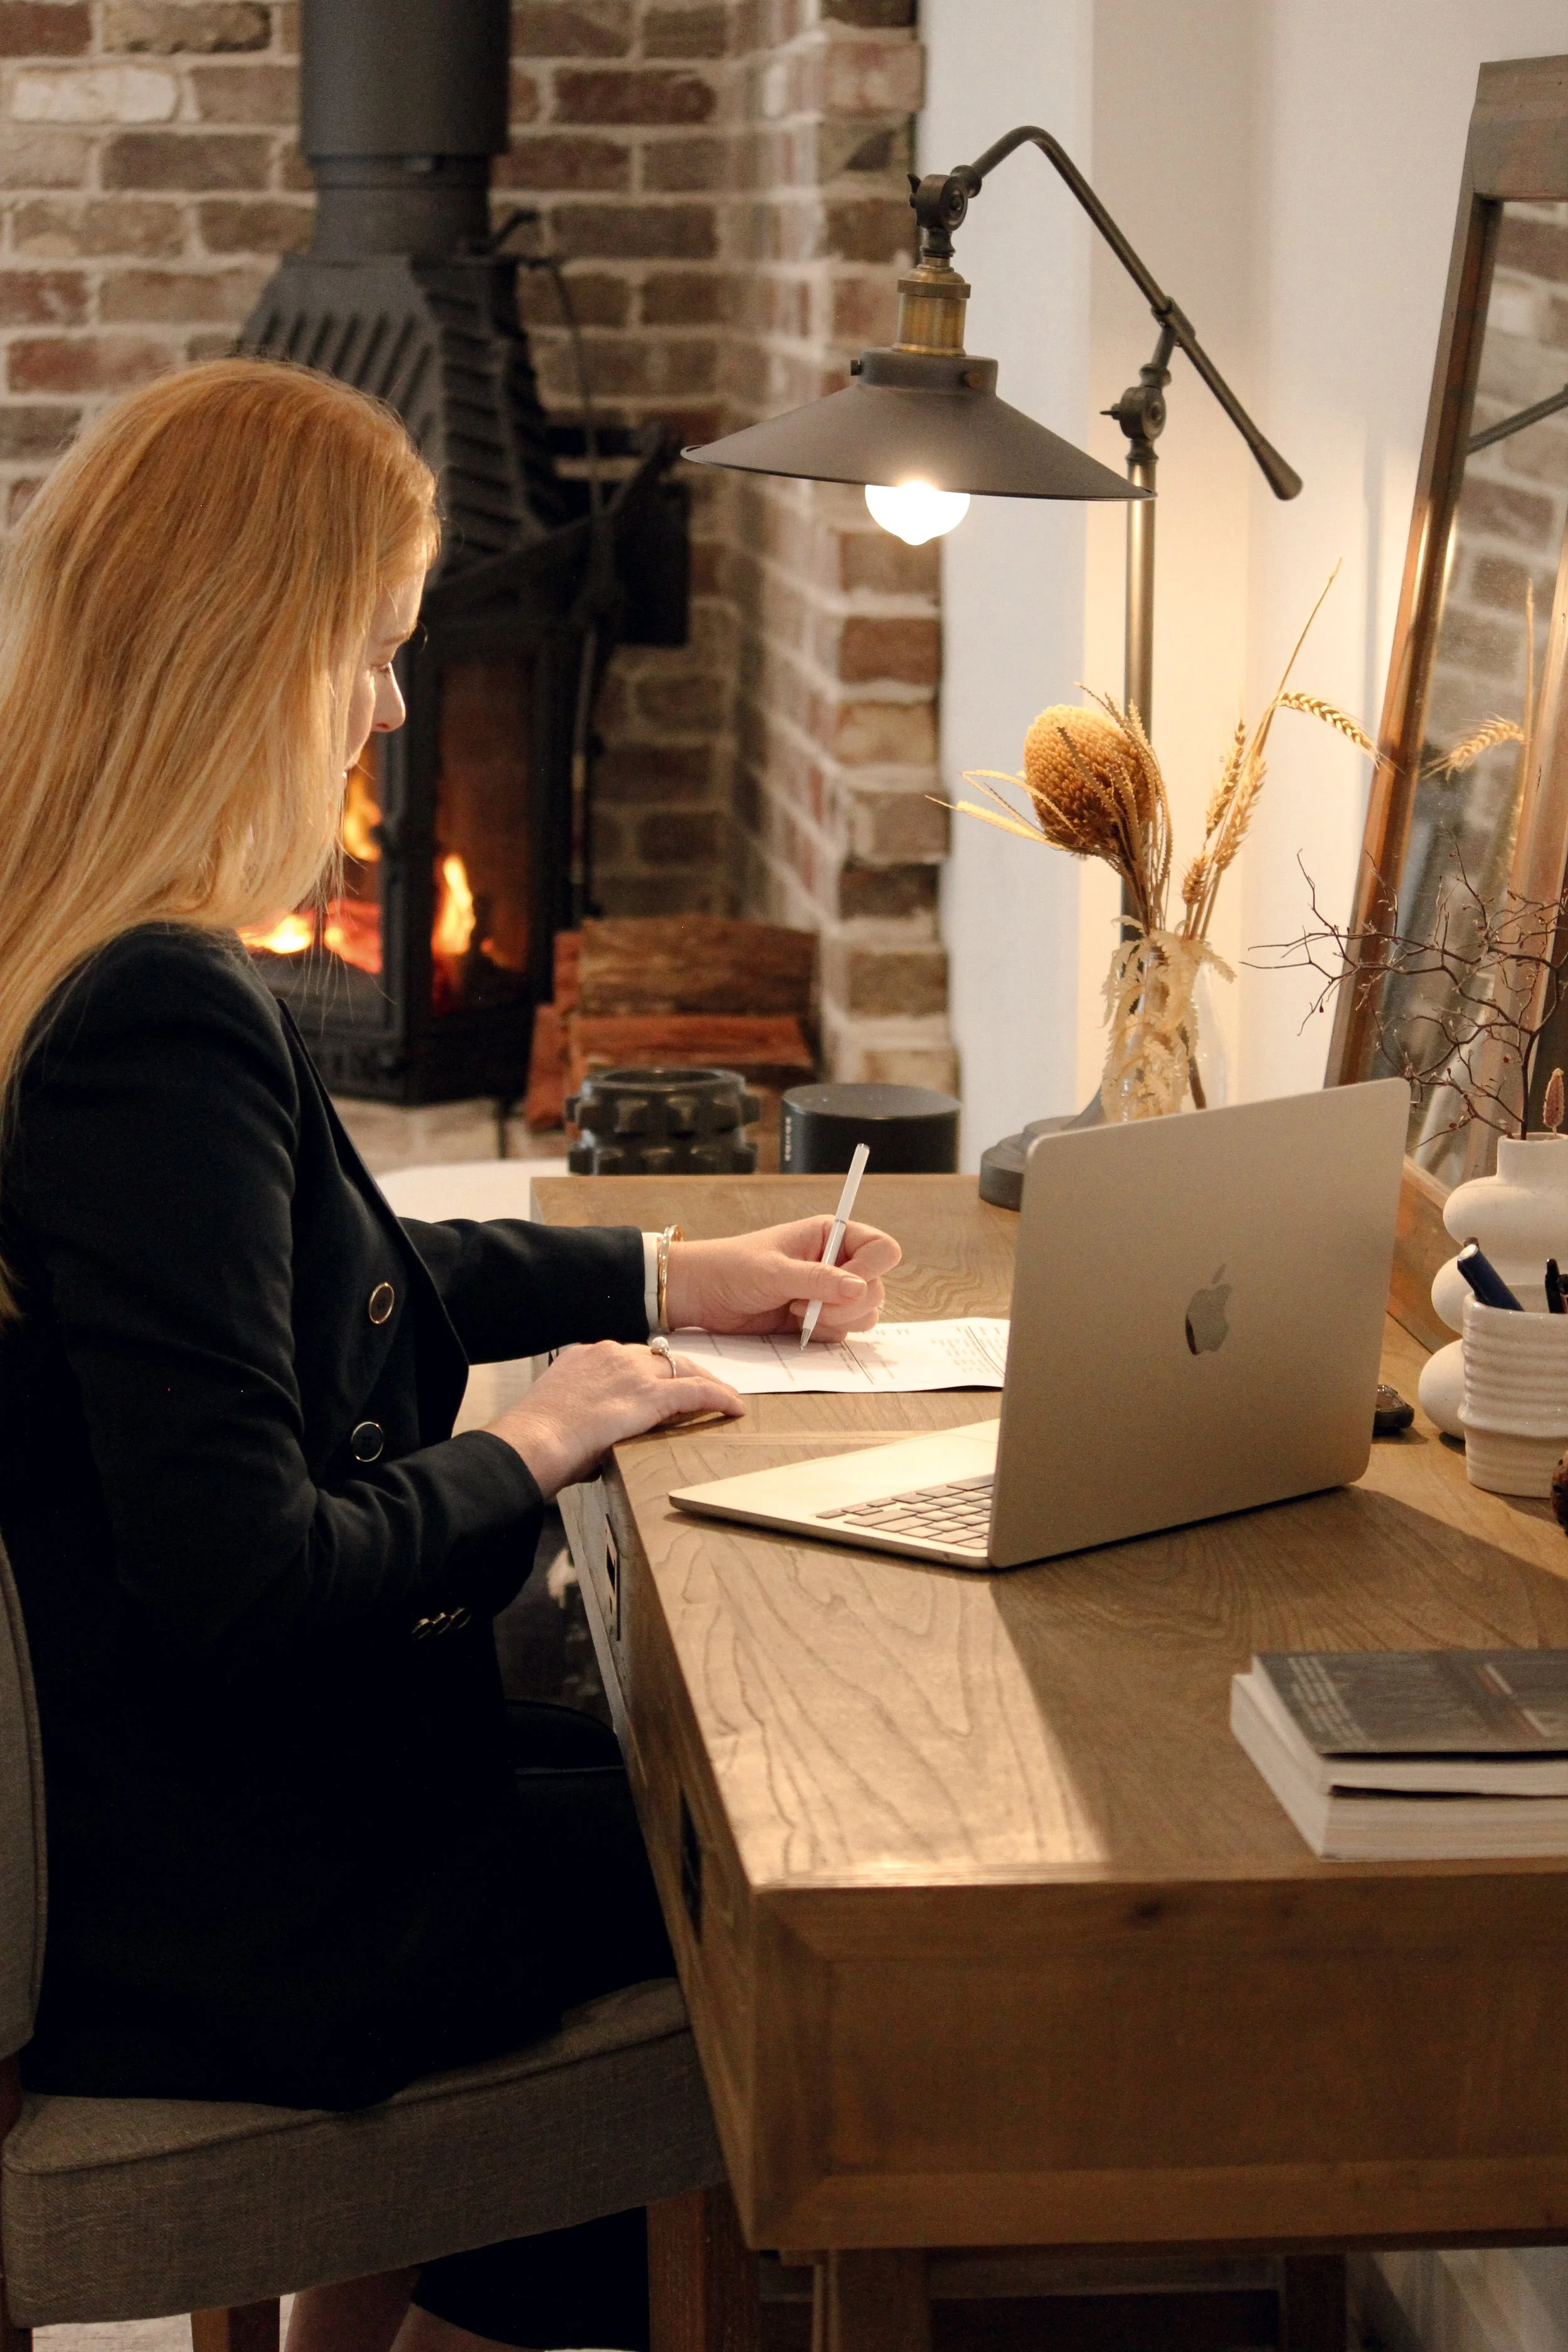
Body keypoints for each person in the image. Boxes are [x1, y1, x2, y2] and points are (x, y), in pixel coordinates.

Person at [0, 359, 901, 2352]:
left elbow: (346, 1260)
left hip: (174, 1835)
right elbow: (251, 1583)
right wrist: (550, 1438)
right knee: (769, 1886)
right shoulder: (161, 1015)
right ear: (251, 648)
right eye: (373, 652)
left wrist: (666, 1269)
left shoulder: (89, 958)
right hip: (233, 1916)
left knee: (633, 1753)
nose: (395, 710)